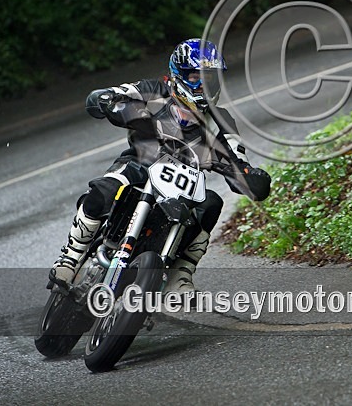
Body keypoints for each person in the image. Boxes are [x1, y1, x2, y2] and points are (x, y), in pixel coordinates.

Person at [50, 38, 271, 292]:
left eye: (209, 79)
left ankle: (181, 275)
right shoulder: (153, 90)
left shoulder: (222, 121)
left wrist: (249, 176)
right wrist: (106, 99)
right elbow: (119, 93)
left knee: (211, 203)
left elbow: (237, 156)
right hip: (140, 165)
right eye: (195, 77)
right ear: (178, 74)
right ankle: (71, 256)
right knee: (107, 189)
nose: (203, 85)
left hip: (182, 186)